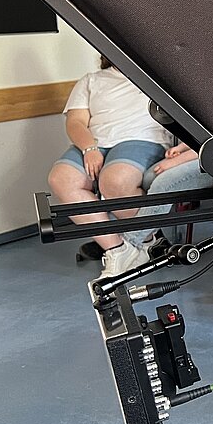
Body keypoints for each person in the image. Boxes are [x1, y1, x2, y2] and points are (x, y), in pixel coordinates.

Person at [47, 57, 172, 278]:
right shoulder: (90, 81)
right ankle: (118, 249)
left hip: (141, 139)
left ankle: (146, 239)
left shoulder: (156, 77)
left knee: (114, 181)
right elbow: (75, 122)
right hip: (96, 142)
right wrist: (89, 147)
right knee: (61, 179)